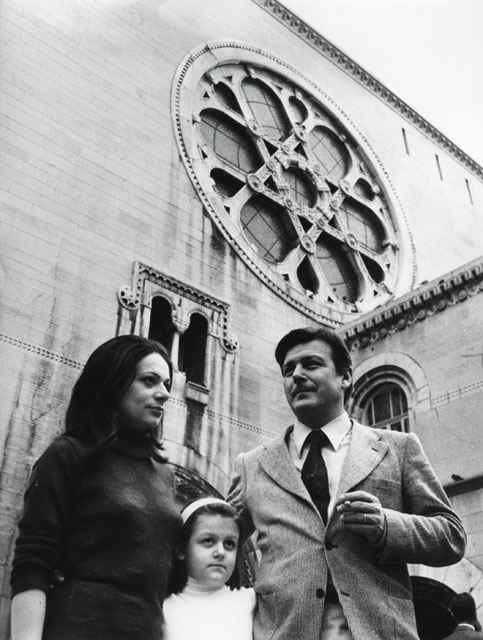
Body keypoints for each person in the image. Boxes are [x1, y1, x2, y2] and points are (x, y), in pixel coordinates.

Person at [228, 326, 466, 640]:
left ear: (346, 376)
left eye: (311, 364)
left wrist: (385, 525)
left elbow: (451, 537)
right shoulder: (252, 465)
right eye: (288, 370)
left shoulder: (398, 448)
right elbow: (215, 539)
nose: (296, 375)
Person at [10, 335, 182, 640]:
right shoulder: (68, 454)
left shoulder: (164, 475)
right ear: (112, 383)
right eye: (149, 381)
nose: (165, 394)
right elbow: (33, 561)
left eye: (167, 384)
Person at [163, 497, 255, 640]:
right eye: (208, 541)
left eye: (229, 544)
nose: (221, 552)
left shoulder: (251, 602)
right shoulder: (162, 609)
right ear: (181, 549)